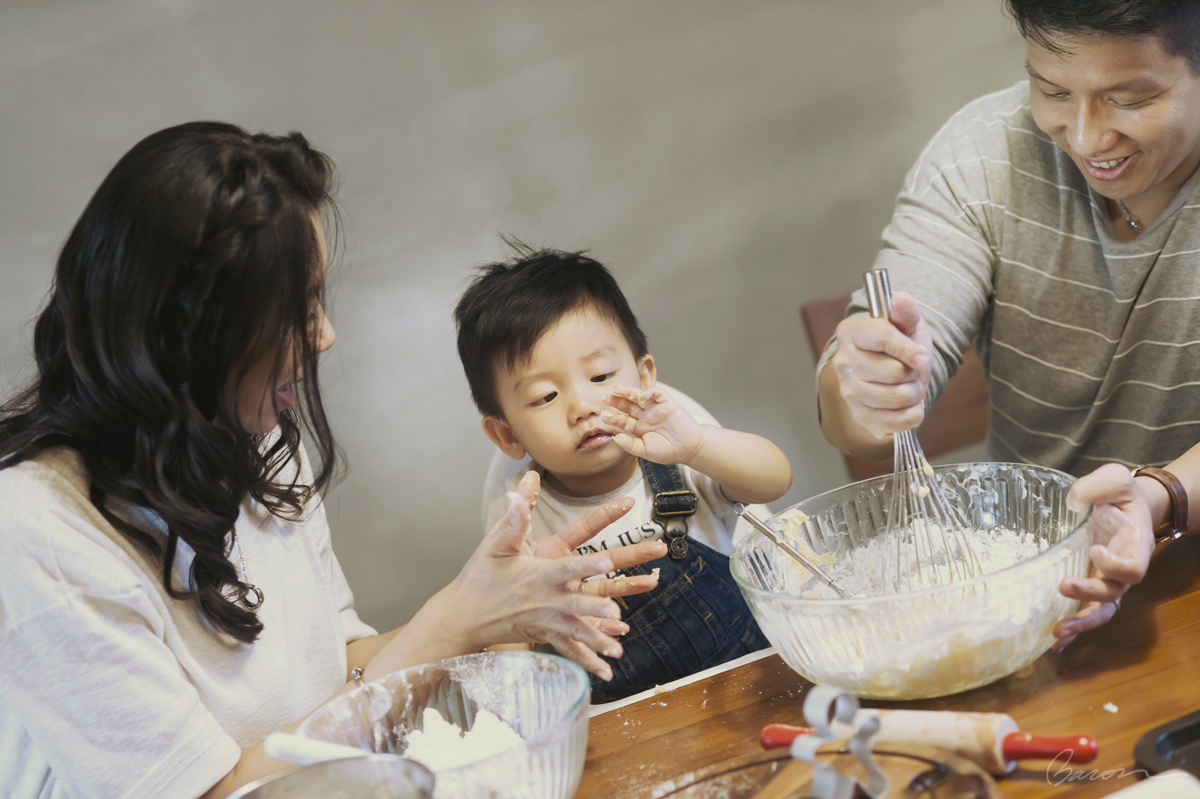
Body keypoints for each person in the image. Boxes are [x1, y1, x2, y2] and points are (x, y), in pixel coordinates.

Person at [0, 123, 667, 799]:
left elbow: (336, 666)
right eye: (297, 310)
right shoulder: (38, 529)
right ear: (189, 333)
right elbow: (207, 790)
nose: (324, 335)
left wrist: (495, 608)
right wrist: (454, 618)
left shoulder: (257, 437)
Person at [816, 0, 1200, 649]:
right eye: (1052, 90)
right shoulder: (983, 160)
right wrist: (861, 388)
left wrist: (1159, 494)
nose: (1085, 136)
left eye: (1128, 98)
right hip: (1049, 601)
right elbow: (854, 416)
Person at [453, 246, 792, 701]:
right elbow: (510, 634)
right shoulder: (521, 515)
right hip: (622, 715)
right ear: (506, 434)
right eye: (545, 397)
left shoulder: (686, 455)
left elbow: (775, 479)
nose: (583, 406)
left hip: (752, 676)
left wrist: (698, 446)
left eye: (600, 376)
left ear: (644, 376)